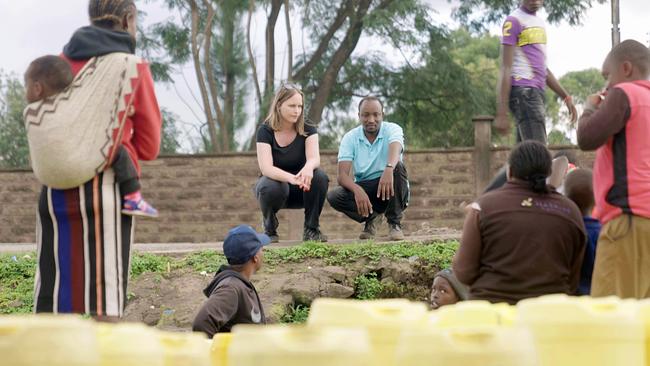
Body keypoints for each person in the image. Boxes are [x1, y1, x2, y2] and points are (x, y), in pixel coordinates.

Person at [33, 0, 161, 318]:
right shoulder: (132, 67)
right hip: (107, 189)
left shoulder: (55, 65)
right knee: (105, 303)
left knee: (56, 297)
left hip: (55, 191)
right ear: (129, 19)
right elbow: (149, 146)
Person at [24, 55, 158, 218]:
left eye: (26, 86)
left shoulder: (31, 113)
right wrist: (123, 110)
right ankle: (132, 196)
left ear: (38, 88)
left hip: (52, 188)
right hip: (88, 173)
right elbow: (96, 119)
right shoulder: (72, 106)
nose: (25, 92)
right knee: (117, 149)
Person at [453, 141, 586, 304]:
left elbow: (464, 272)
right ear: (549, 173)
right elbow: (573, 279)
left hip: (492, 313)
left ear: (510, 171)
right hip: (549, 315)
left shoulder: (484, 207)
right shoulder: (570, 211)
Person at [576, 39, 650, 299]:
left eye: (608, 76)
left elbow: (586, 138)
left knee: (608, 312)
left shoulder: (625, 94)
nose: (607, 85)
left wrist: (588, 109)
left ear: (626, 68)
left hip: (627, 221)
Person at [484, 0, 578, 192]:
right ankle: (543, 205)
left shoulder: (539, 23)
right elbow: (505, 67)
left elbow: (543, 69)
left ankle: (482, 203)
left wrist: (566, 96)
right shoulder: (514, 21)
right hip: (524, 94)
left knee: (519, 161)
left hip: (536, 93)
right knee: (539, 158)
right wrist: (501, 110)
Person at [327, 96, 409, 241]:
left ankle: (394, 223)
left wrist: (388, 168)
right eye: (366, 115)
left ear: (382, 115)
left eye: (376, 115)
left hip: (393, 186)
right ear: (359, 116)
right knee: (334, 196)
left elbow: (396, 148)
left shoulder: (393, 129)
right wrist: (358, 190)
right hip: (366, 188)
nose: (371, 120)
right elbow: (342, 176)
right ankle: (372, 219)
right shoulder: (350, 137)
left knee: (398, 167)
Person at [255, 83, 328, 243]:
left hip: (303, 189)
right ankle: (270, 227)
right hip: (276, 190)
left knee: (320, 176)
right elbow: (266, 168)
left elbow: (314, 158)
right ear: (279, 105)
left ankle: (311, 229)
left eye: (300, 106)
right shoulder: (265, 130)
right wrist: (290, 178)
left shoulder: (308, 127)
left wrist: (308, 168)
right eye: (292, 106)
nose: (297, 111)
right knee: (270, 185)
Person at [193, 225, 269, 337]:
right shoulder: (230, 288)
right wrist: (216, 353)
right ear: (255, 257)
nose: (263, 252)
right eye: (261, 248)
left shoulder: (240, 283)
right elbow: (201, 324)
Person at [564, 169, 600, 295]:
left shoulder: (564, 229)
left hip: (568, 293)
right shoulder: (601, 232)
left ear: (566, 197)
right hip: (594, 292)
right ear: (596, 198)